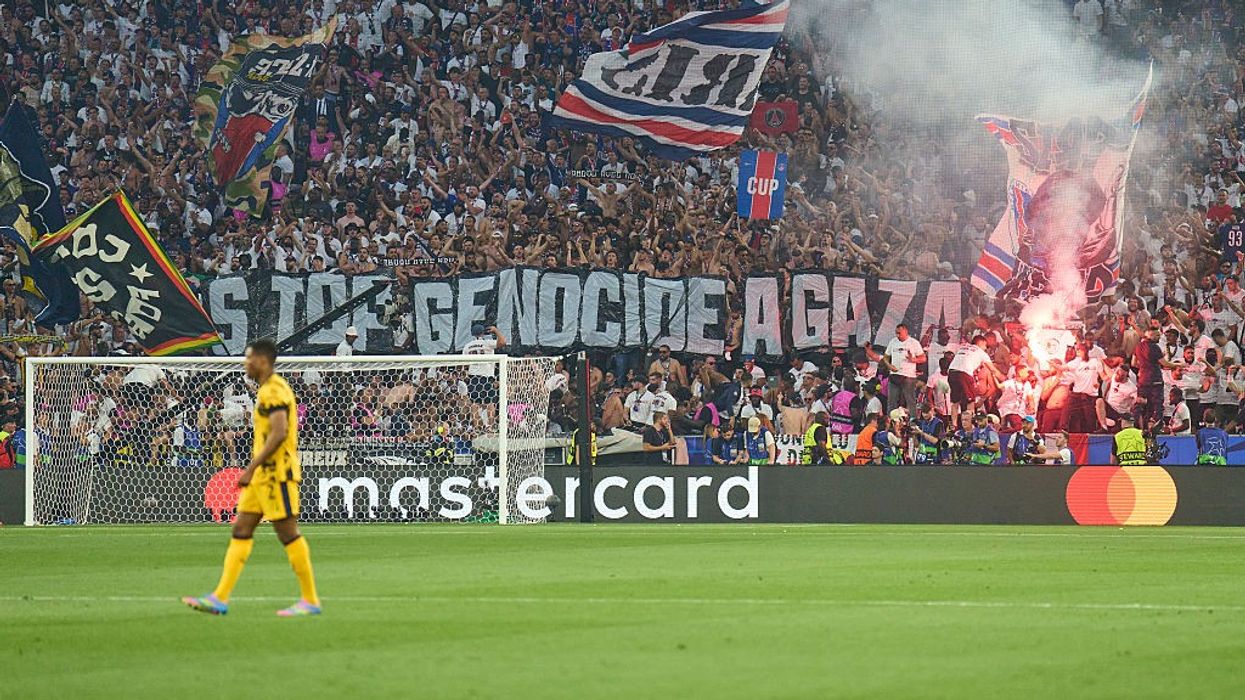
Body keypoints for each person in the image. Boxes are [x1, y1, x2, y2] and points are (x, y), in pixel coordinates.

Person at [183, 338, 320, 617]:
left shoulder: (274, 390)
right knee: (241, 530)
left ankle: (310, 600)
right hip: (262, 478)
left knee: (288, 534)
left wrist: (250, 467)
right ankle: (220, 597)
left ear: (263, 361)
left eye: (249, 358)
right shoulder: (265, 390)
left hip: (277, 475)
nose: (246, 363)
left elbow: (279, 433)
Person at [948, 335, 1005, 430]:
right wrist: (1004, 378)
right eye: (985, 346)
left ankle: (953, 426)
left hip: (952, 372)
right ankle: (971, 426)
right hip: (964, 373)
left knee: (955, 402)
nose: (986, 348)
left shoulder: (963, 348)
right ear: (981, 343)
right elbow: (993, 370)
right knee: (970, 401)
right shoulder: (980, 352)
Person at [875, 323, 925, 414]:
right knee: (891, 401)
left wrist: (913, 359)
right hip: (894, 375)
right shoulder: (893, 341)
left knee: (910, 401)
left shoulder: (914, 343)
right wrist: (889, 366)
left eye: (899, 333)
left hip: (908, 376)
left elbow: (923, 358)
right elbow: (886, 357)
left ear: (906, 332)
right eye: (896, 333)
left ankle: (912, 419)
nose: (897, 335)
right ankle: (891, 419)